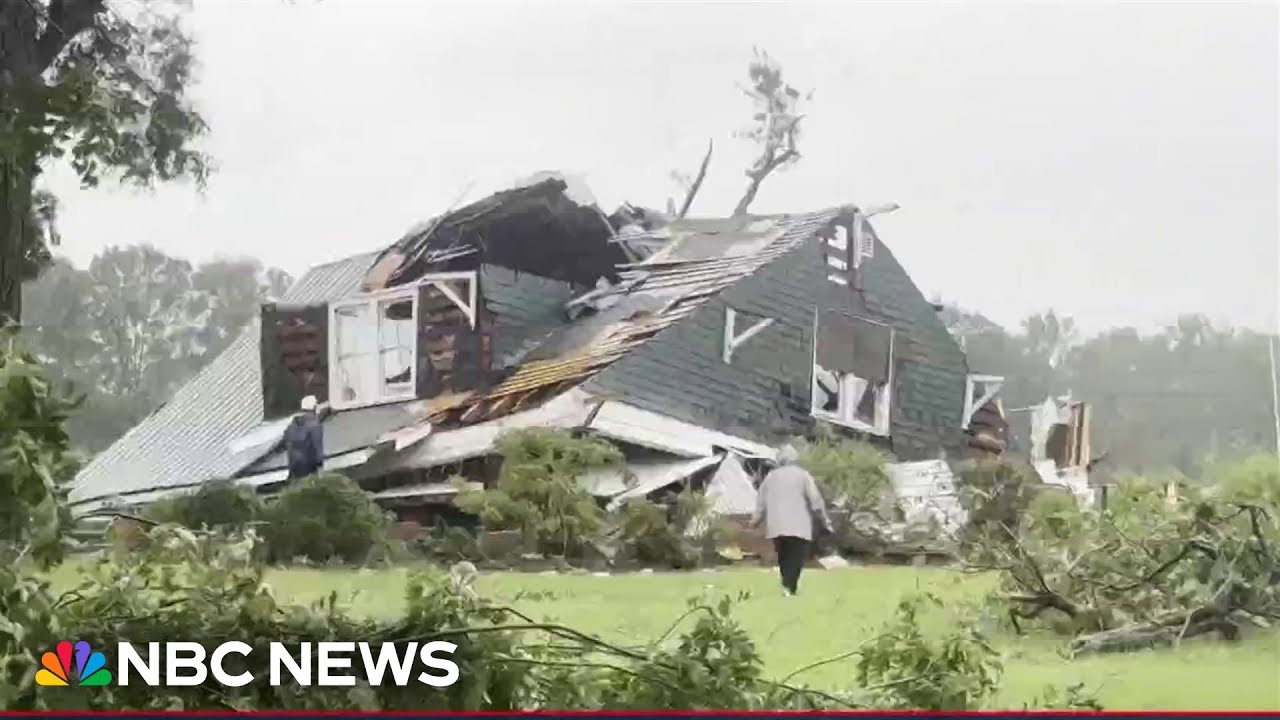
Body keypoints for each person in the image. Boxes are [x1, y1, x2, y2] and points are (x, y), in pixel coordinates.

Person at [751, 443, 833, 597]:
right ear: (795, 459)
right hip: (799, 525)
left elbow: (761, 502)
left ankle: (787, 586)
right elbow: (816, 500)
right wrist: (824, 520)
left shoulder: (770, 477)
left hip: (777, 525)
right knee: (796, 557)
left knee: (784, 555)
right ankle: (789, 586)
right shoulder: (803, 475)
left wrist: (755, 520)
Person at [284, 395, 325, 479]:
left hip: (294, 467)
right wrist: (320, 465)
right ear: (314, 408)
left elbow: (287, 445)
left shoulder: (292, 425)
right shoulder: (315, 425)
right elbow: (317, 448)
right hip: (310, 467)